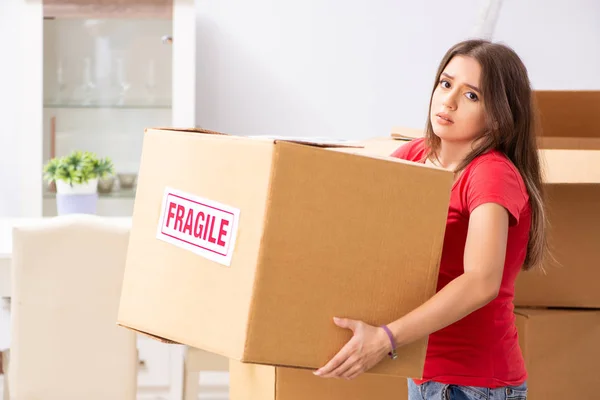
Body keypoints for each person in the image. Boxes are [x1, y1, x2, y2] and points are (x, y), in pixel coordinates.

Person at [313, 39, 547, 400]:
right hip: (423, 373)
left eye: (472, 96)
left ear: (500, 114)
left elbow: (481, 281)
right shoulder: (416, 155)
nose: (449, 100)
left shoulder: (490, 174)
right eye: (446, 83)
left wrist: (386, 339)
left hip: (472, 385)